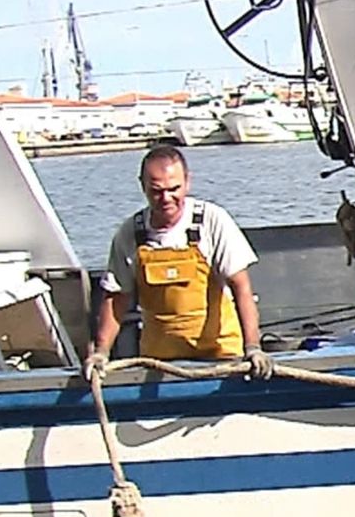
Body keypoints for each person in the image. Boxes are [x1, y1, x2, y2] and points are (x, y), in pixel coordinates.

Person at [86, 146, 274, 380]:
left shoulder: (212, 221)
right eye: (156, 191)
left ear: (187, 181)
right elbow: (116, 296)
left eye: (174, 189)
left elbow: (242, 288)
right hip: (158, 364)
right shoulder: (129, 234)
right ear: (142, 185)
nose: (166, 199)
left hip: (222, 357)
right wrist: (101, 353)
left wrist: (253, 348)